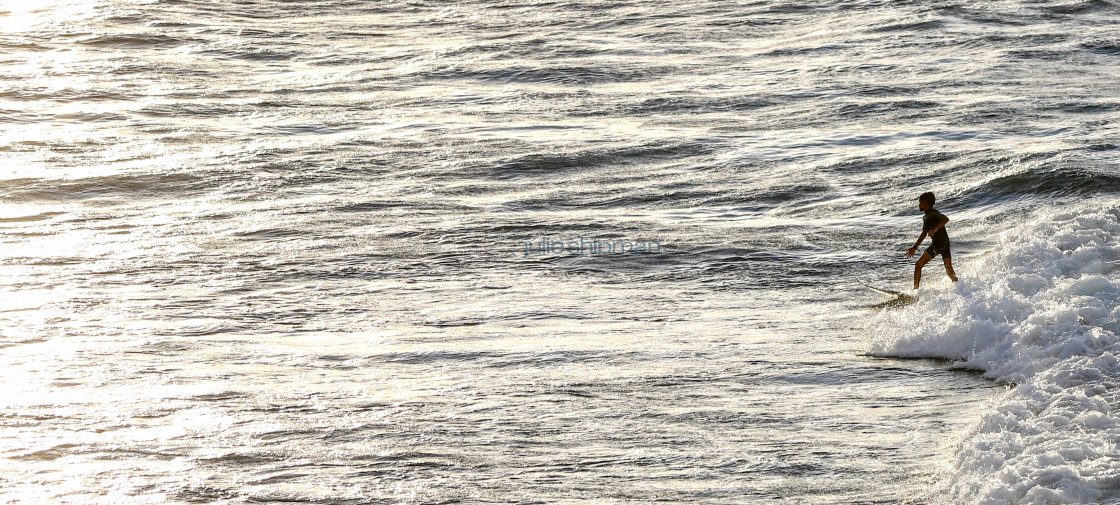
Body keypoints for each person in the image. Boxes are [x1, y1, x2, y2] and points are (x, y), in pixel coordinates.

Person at [905, 191, 957, 289]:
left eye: (920, 202)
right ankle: (959, 286)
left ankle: (915, 291)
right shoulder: (926, 217)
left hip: (939, 244)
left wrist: (934, 229)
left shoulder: (933, 213)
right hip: (944, 242)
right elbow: (924, 233)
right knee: (948, 268)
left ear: (926, 204)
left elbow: (946, 219)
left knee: (918, 264)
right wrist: (915, 247)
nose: (919, 204)